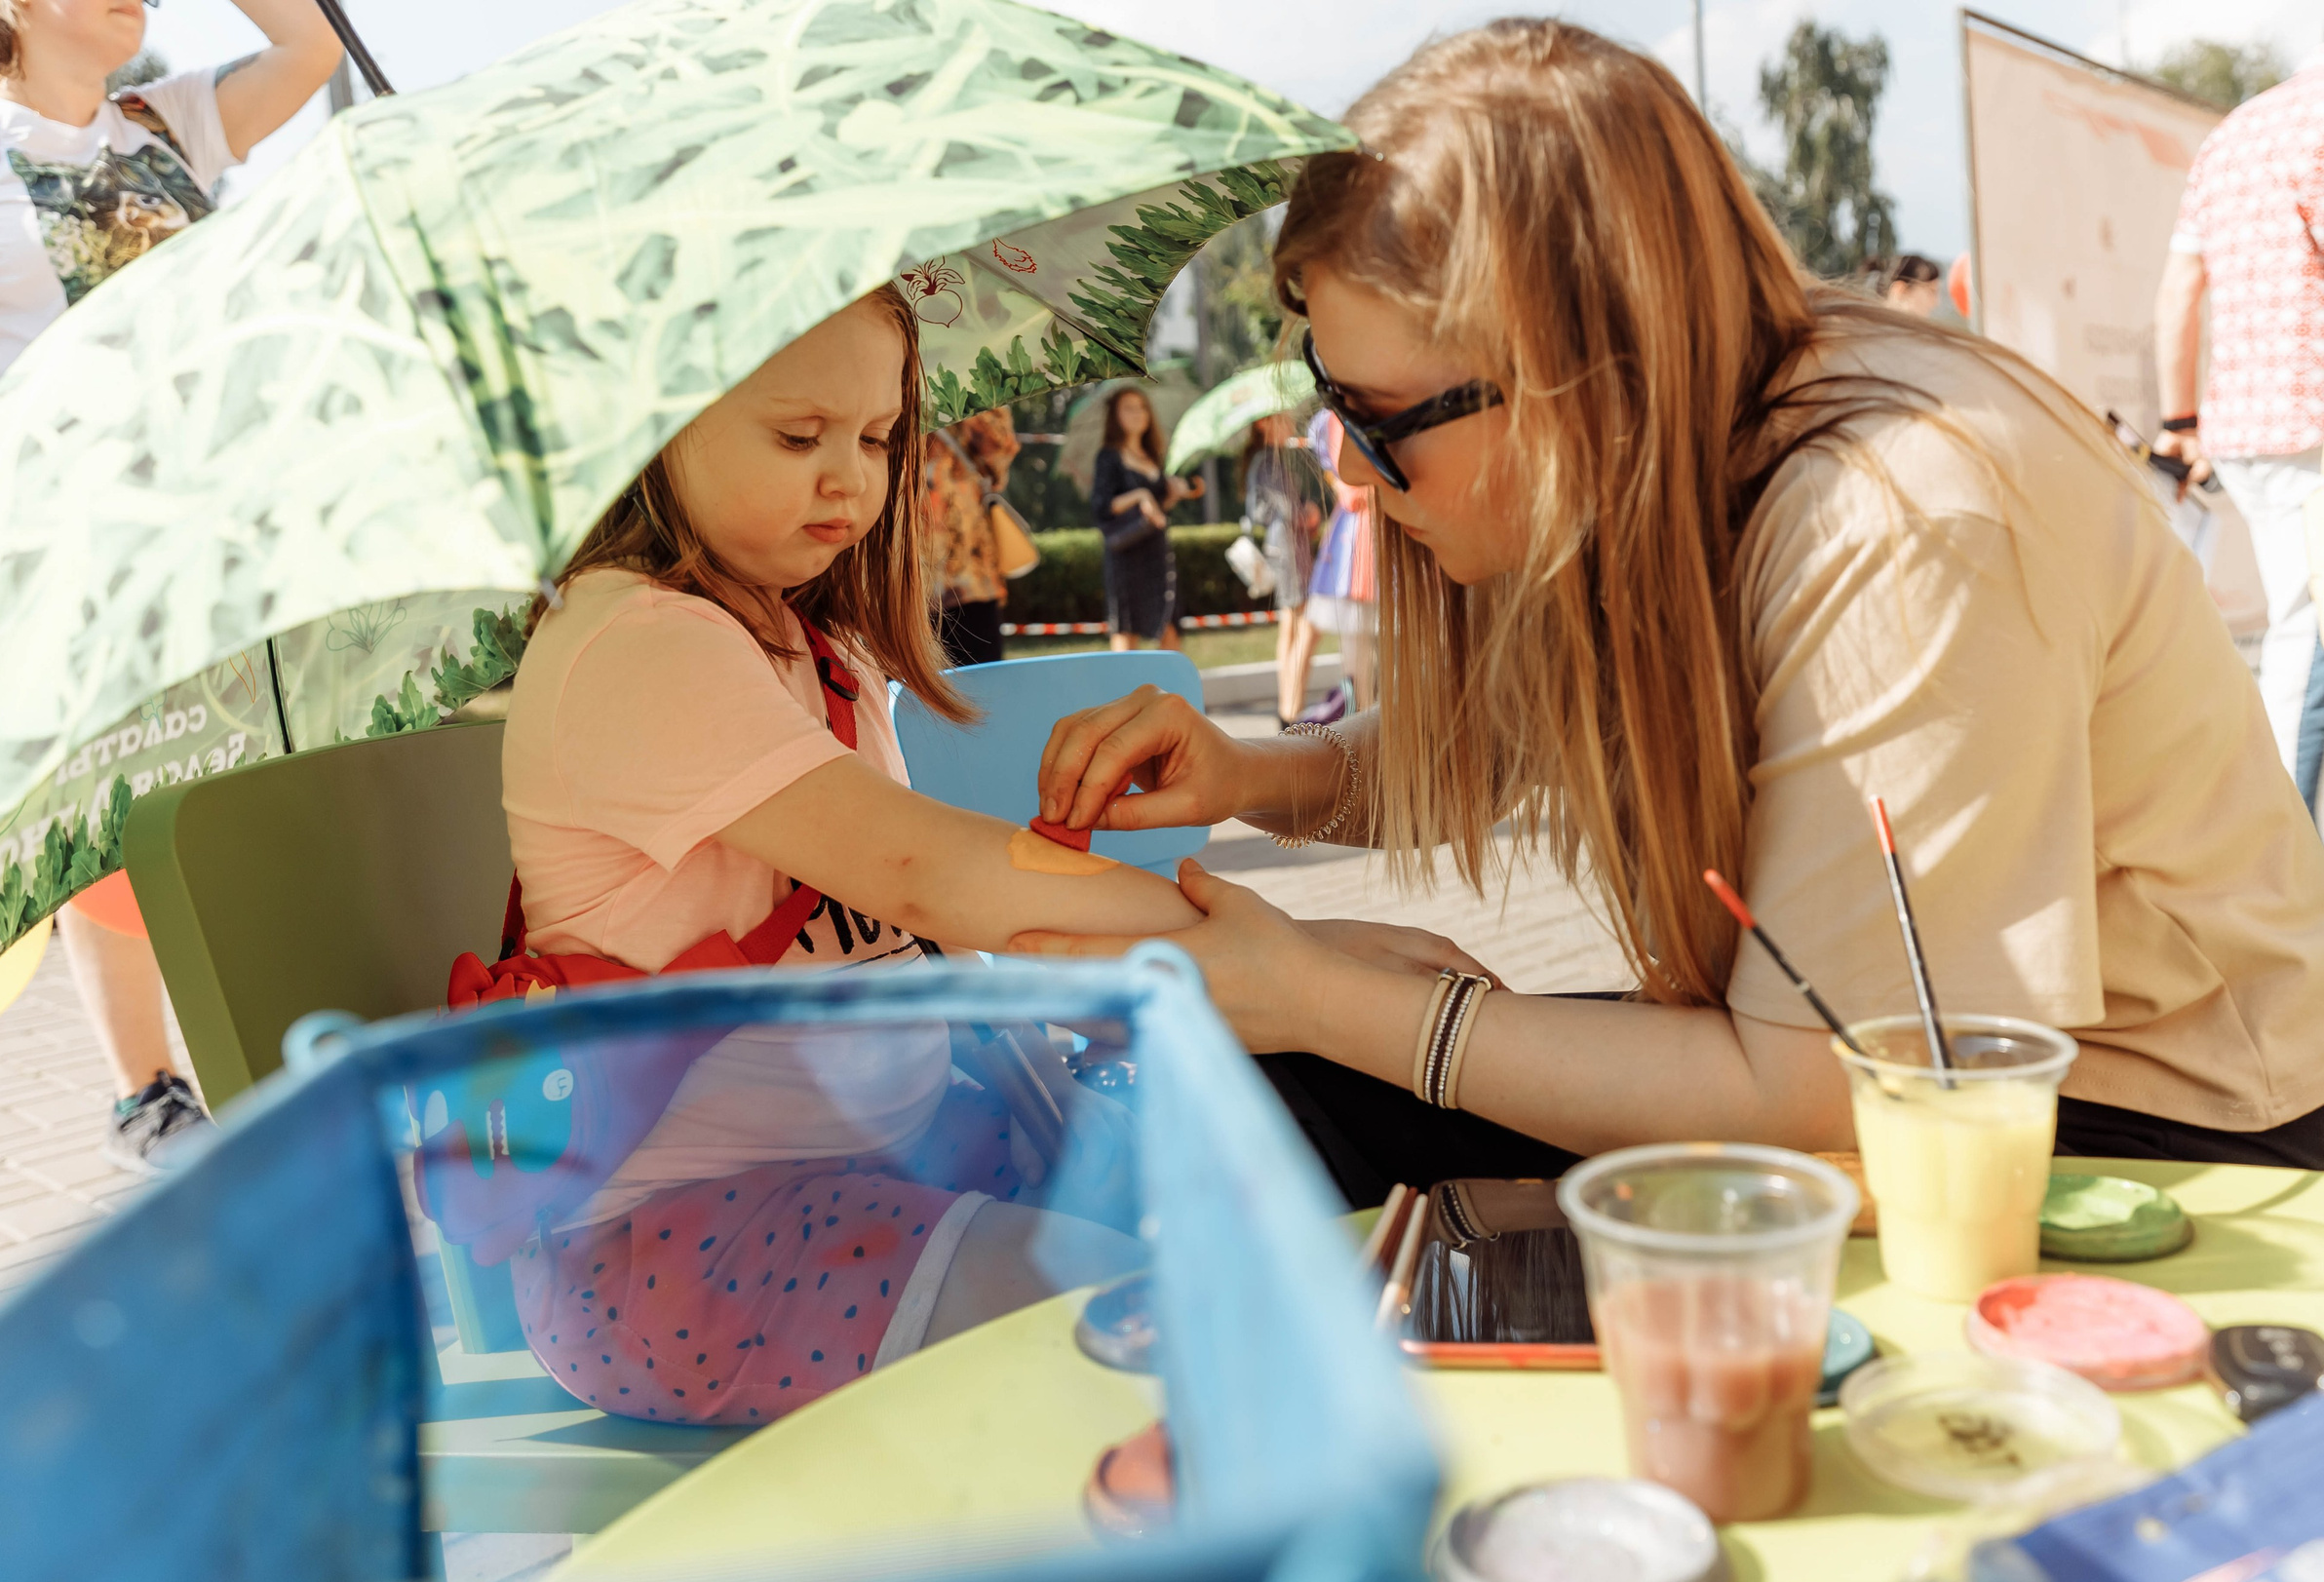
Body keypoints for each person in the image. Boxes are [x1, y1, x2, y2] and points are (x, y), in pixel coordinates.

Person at [1013, 21, 2324, 1198]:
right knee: (1271, 1090)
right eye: (1327, 393)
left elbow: (1830, 1096)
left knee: (1294, 1091)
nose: (1348, 471)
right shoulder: (1677, 450)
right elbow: (1481, 751)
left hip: (2167, 1135)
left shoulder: (1906, 515)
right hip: (1892, 1085)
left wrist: (1322, 998)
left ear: (1577, 369)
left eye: (1379, 419)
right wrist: (1245, 774)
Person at [496, 286, 1203, 1423]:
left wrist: (1060, 1049)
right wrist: (1221, 947)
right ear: (654, 424)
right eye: (798, 437)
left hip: (899, 1161)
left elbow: (915, 941)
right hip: (686, 1248)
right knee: (1160, 1321)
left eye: (876, 438)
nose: (852, 481)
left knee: (1219, 1211)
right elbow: (927, 876)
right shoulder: (636, 644)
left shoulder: (812, 647)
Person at [0, 0, 340, 1172]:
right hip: (54, 552)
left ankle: (272, 1065)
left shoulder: (165, 123)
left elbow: (311, 46)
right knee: (111, 824)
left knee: (240, 805)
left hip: (213, 541)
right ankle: (146, 1093)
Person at [2156, 58, 2324, 814]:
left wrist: (2179, 423)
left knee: (2297, 633)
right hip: (2309, 429)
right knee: (2305, 647)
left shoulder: (2232, 134)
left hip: (2248, 430)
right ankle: (2287, 847)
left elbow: (2178, 292)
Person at [1089, 385, 1200, 652]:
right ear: (1115, 415)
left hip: (1157, 553)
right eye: (1128, 408)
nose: (1137, 413)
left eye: (1141, 407)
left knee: (1169, 628)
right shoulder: (1109, 456)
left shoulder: (1152, 456)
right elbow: (1101, 505)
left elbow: (1158, 511)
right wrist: (1139, 495)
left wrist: (1174, 494)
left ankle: (1164, 682)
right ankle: (1126, 682)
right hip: (1127, 554)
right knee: (1127, 632)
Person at [922, 405, 1022, 666]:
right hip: (897, 580)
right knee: (899, 688)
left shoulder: (972, 392)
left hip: (968, 573)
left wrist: (960, 403)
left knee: (982, 681)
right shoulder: (881, 391)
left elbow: (998, 459)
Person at [1240, 412, 1323, 725]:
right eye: (1282, 419)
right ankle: (1291, 709)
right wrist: (1307, 511)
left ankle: (1288, 708)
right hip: (1287, 546)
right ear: (1263, 423)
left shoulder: (1266, 459)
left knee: (1291, 624)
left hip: (1284, 544)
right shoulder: (1267, 460)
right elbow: (1286, 510)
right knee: (1302, 623)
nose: (1290, 424)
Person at [1300, 405, 1377, 715]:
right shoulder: (1330, 422)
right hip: (1358, 534)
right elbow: (1347, 488)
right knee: (1356, 635)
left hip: (1371, 528)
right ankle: (1364, 717)